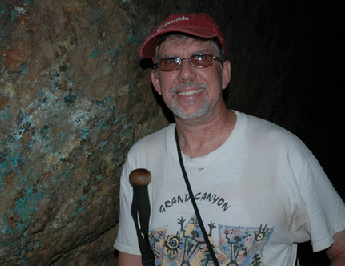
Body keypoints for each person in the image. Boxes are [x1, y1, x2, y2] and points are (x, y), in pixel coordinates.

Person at [114, 13, 345, 265]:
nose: (185, 74)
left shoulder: (282, 151)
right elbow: (132, 257)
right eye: (171, 62)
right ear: (156, 81)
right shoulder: (142, 159)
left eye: (201, 58)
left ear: (224, 73)